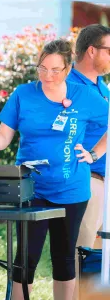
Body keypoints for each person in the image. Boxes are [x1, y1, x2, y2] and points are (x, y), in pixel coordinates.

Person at [0, 39, 108, 300]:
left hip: (72, 188)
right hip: (30, 187)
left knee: (64, 256)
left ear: (68, 69)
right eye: (42, 68)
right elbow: (4, 137)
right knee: (26, 257)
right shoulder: (23, 94)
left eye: (55, 69)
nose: (48, 75)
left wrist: (94, 153)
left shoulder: (84, 95)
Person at [67, 25, 110, 251]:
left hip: (105, 181)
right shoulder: (68, 87)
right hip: (87, 181)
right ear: (92, 51)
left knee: (100, 265)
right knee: (80, 256)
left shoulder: (102, 88)